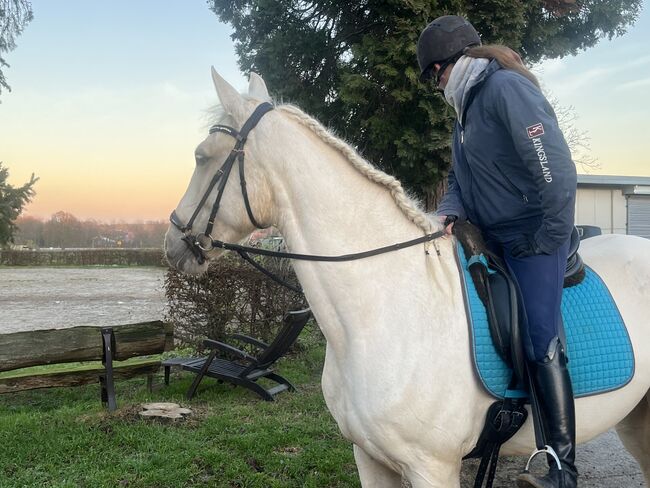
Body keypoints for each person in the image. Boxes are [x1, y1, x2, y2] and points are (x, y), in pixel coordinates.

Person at [417, 15, 578, 488]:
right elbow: (459, 185)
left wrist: (549, 234)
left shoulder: (505, 88)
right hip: (490, 238)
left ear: (452, 63)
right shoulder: (464, 114)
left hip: (533, 237)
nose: (435, 84)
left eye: (434, 74)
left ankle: (561, 467)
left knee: (539, 340)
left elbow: (554, 167)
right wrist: (445, 213)